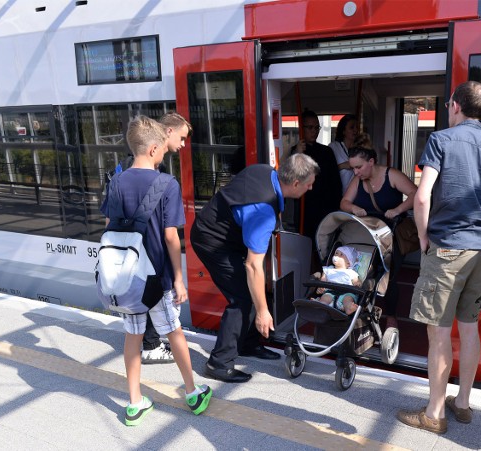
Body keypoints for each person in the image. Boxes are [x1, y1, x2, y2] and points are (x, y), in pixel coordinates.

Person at [399, 81, 481, 434]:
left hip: (446, 247)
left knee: (439, 334)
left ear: (454, 106)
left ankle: (434, 413)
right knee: (469, 328)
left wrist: (422, 237)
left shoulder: (441, 141)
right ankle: (462, 404)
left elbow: (422, 197)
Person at [100, 116, 211, 426]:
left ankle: (135, 403)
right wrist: (178, 278)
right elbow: (170, 236)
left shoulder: (117, 180)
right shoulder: (165, 183)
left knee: (133, 336)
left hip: (128, 278)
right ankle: (193, 392)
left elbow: (109, 226)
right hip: (156, 276)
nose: (166, 152)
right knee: (173, 331)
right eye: (163, 148)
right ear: (151, 149)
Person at [190, 153, 320, 383]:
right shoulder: (263, 211)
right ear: (296, 183)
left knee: (251, 292)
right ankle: (219, 363)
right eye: (309, 184)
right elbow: (252, 266)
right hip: (213, 242)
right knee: (243, 298)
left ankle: (248, 344)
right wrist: (262, 311)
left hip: (227, 235)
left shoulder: (265, 171)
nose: (311, 189)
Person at [340, 143, 417, 327]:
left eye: (359, 167)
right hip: (367, 234)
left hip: (391, 234)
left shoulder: (391, 175)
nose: (356, 172)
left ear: (371, 162)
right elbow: (344, 202)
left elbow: (416, 194)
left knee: (389, 276)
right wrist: (354, 207)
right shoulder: (358, 180)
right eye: (353, 168)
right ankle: (362, 313)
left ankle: (391, 318)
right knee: (363, 274)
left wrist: (398, 209)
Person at [140, 111, 192, 364]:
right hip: (153, 251)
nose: (183, 144)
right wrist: (179, 278)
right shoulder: (163, 178)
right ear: (167, 132)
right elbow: (170, 234)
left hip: (135, 253)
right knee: (161, 298)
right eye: (181, 138)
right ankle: (153, 345)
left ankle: (149, 342)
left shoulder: (129, 169)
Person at [290, 109, 342, 243]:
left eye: (317, 127)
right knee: (305, 242)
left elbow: (335, 182)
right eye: (310, 127)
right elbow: (291, 179)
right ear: (302, 128)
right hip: (304, 205)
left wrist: (336, 208)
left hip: (326, 205)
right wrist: (297, 154)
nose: (314, 131)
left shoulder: (327, 151)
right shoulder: (295, 151)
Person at [312, 245, 361, 315]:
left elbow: (356, 281)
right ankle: (321, 304)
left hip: (346, 292)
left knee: (348, 299)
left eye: (341, 254)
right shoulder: (328, 269)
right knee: (325, 297)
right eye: (336, 253)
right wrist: (321, 287)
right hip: (330, 291)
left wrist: (357, 283)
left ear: (348, 263)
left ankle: (348, 307)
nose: (337, 255)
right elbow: (323, 280)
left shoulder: (351, 272)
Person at [328, 114, 358, 194]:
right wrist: (343, 165)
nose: (355, 130)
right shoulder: (333, 146)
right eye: (352, 127)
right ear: (343, 131)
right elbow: (327, 170)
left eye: (356, 127)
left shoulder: (359, 149)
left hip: (355, 194)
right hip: (337, 193)